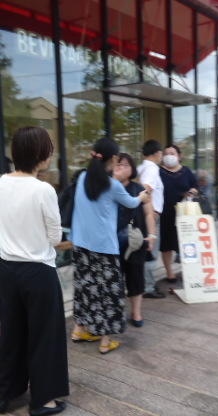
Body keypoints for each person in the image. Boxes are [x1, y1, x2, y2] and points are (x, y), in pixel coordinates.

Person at [0, 126, 69, 416]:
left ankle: (5, 394)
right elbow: (55, 237)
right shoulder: (43, 190)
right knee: (44, 336)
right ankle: (43, 401)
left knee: (12, 333)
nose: (50, 154)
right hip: (39, 271)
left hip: (9, 271)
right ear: (41, 155)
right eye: (49, 150)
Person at [71, 138, 150, 353]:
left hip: (80, 244)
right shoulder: (112, 185)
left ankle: (79, 330)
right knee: (107, 292)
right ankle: (105, 342)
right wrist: (142, 196)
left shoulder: (82, 177)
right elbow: (132, 203)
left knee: (84, 287)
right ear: (113, 158)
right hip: (103, 247)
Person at [114, 153, 156, 328]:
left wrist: (151, 235)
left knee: (136, 277)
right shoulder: (108, 188)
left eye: (125, 165)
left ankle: (136, 312)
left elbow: (149, 214)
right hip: (112, 242)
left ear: (132, 168)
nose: (121, 168)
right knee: (114, 278)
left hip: (136, 240)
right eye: (118, 164)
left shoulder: (139, 188)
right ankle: (116, 312)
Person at [159, 145, 197, 282]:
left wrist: (192, 192)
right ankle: (170, 273)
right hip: (166, 213)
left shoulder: (186, 171)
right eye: (166, 153)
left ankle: (190, 271)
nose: (169, 156)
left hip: (184, 213)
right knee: (167, 245)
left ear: (179, 156)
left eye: (172, 153)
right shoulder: (158, 171)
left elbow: (195, 186)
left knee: (187, 241)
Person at [137, 140, 165, 299]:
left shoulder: (142, 167)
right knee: (150, 251)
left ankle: (145, 284)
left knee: (146, 250)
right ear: (157, 153)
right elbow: (146, 189)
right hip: (151, 215)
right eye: (161, 153)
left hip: (147, 215)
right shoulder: (152, 169)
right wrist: (151, 213)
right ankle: (147, 286)